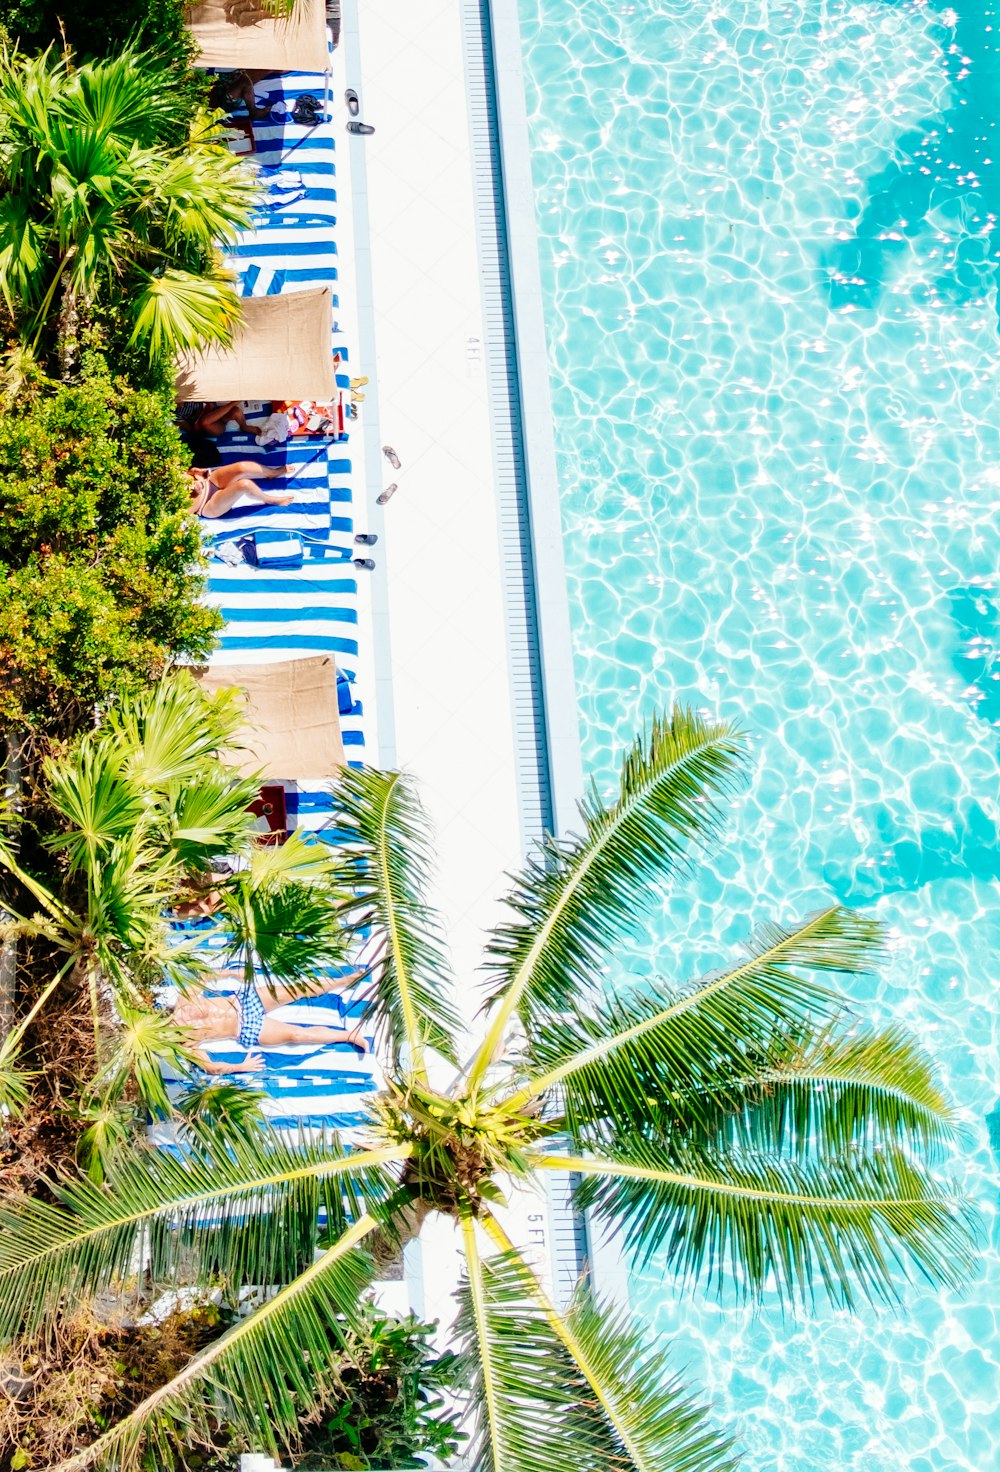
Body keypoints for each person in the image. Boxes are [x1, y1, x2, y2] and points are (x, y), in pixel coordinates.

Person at [173, 971, 370, 1074]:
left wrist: (231, 973)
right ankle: (349, 1036)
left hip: (243, 1001)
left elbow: (202, 976)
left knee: (296, 990)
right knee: (297, 1035)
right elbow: (211, 1067)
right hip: (245, 1028)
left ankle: (343, 981)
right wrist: (240, 1067)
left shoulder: (182, 1002)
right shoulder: (186, 1043)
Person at [188, 460, 294, 519]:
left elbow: (185, 472)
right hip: (207, 505)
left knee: (242, 467)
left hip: (208, 481)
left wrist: (193, 472)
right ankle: (269, 499)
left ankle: (272, 473)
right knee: (244, 485)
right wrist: (193, 494)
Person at [177, 400, 252, 437]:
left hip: (213, 412)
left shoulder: (188, 395)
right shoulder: (176, 414)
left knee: (235, 411)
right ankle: (233, 403)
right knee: (205, 421)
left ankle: (244, 426)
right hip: (209, 426)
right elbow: (190, 430)